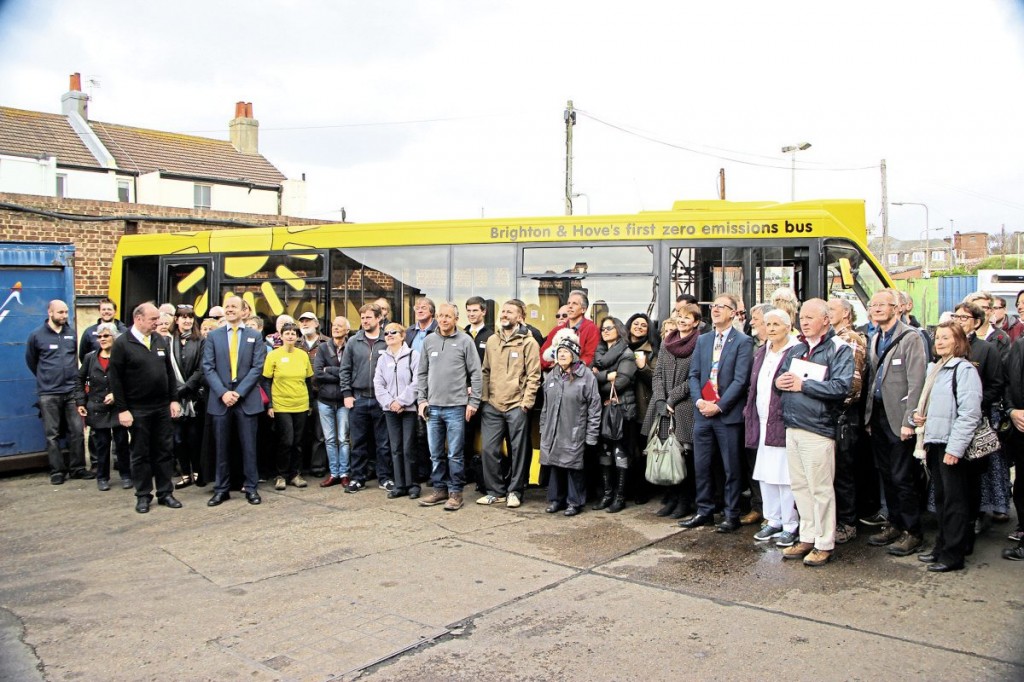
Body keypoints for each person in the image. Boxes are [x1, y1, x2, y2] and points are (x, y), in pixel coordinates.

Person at [775, 299, 854, 567]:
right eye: (802, 317)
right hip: (793, 424)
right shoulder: (795, 348)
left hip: (818, 428)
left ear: (826, 320)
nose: (804, 322)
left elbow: (842, 387)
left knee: (820, 488)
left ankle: (824, 541)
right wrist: (780, 382)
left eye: (810, 317)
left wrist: (803, 385)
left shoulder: (839, 349)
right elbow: (783, 378)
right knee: (800, 486)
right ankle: (807, 535)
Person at [912, 321, 983, 572]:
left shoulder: (964, 370)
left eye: (945, 337)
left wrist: (955, 449)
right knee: (942, 501)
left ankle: (953, 555)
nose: (939, 341)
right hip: (935, 441)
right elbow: (932, 406)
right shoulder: (936, 368)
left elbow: (970, 413)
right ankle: (941, 547)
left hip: (952, 446)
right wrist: (918, 417)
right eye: (937, 337)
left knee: (955, 502)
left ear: (958, 341)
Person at [681, 294, 754, 533]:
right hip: (703, 412)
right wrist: (699, 400)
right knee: (701, 465)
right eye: (713, 306)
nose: (715, 309)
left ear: (733, 313)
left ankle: (731, 514)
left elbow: (741, 380)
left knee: (730, 467)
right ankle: (704, 511)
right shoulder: (703, 340)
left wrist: (720, 405)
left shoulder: (742, 342)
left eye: (722, 307)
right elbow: (693, 375)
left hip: (727, 415)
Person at [864, 288, 927, 557]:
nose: (876, 309)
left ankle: (912, 532)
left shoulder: (911, 338)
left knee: (903, 477)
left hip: (899, 418)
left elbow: (917, 382)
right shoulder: (875, 337)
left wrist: (909, 420)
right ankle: (894, 524)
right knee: (887, 474)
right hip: (877, 416)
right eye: (873, 305)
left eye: (882, 304)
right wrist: (868, 417)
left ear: (897, 308)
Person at [108, 302, 183, 513]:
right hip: (137, 409)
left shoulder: (159, 340)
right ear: (138, 319)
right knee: (140, 453)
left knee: (164, 451)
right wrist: (122, 410)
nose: (157, 323)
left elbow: (169, 372)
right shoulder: (123, 344)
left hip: (161, 408)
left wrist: (173, 399)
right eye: (153, 319)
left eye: (158, 319)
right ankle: (143, 495)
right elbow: (116, 380)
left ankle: (165, 492)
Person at [416, 302, 483, 511]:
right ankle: (439, 490)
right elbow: (422, 374)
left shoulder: (465, 341)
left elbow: (476, 374)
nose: (444, 320)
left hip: (456, 407)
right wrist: (421, 400)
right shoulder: (429, 341)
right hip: (432, 408)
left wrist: (474, 402)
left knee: (455, 453)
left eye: (448, 316)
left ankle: (455, 493)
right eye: (441, 316)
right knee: (435, 453)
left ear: (456, 319)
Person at [202, 295, 267, 506]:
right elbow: (208, 367)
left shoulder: (254, 336)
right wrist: (223, 393)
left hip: (246, 399)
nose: (229, 310)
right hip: (221, 400)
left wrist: (238, 393)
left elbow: (257, 368)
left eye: (234, 307)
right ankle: (221, 489)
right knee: (221, 447)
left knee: (249, 447)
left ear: (243, 311)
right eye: (227, 306)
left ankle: (251, 488)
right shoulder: (214, 336)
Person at [476, 300, 541, 508]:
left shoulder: (529, 343)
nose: (504, 314)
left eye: (509, 312)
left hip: (516, 406)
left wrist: (526, 402)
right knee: (489, 449)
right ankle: (496, 491)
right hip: (493, 405)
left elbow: (534, 376)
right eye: (503, 311)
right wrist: (485, 399)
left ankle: (515, 491)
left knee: (518, 450)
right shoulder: (493, 341)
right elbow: (485, 371)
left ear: (520, 317)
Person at [743, 309, 799, 547]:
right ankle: (772, 520)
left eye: (777, 324)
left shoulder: (795, 351)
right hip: (760, 419)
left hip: (782, 421)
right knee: (765, 474)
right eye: (768, 324)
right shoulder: (761, 352)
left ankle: (790, 524)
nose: (771, 328)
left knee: (784, 476)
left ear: (788, 327)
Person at [952, 301, 1008, 533]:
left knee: (973, 474)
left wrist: (974, 403)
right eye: (956, 316)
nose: (959, 321)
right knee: (951, 475)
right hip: (948, 421)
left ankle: (974, 516)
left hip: (975, 422)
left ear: (976, 322)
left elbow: (996, 386)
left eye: (964, 318)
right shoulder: (948, 346)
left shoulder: (987, 350)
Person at [25, 299, 93, 484]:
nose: (64, 316)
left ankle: (78, 468)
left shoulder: (71, 333)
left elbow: (77, 357)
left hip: (71, 391)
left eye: (65, 312)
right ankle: (57, 471)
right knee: (52, 434)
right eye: (60, 312)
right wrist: (46, 378)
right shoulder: (37, 335)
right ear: (50, 312)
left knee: (77, 431)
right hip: (49, 393)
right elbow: (32, 361)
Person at [643, 308, 699, 519]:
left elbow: (695, 376)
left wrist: (672, 398)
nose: (682, 320)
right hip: (662, 408)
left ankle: (685, 502)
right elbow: (657, 374)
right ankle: (671, 499)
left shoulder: (699, 344)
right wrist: (659, 398)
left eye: (687, 317)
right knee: (664, 452)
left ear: (695, 323)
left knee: (682, 456)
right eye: (680, 317)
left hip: (684, 408)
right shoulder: (667, 343)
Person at [540, 333, 601, 516]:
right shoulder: (552, 376)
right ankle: (556, 500)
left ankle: (574, 502)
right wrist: (543, 428)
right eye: (559, 352)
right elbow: (545, 406)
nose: (562, 356)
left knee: (573, 468)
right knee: (555, 466)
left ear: (574, 355)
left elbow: (595, 407)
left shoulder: (586, 376)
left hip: (575, 431)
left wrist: (591, 435)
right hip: (553, 431)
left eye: (566, 352)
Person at [827, 297, 867, 544]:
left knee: (842, 472)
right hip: (829, 413)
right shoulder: (829, 339)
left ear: (846, 314)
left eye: (831, 309)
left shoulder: (850, 339)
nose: (827, 313)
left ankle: (847, 523)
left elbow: (852, 383)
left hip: (842, 415)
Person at [340, 303, 392, 493]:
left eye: (369, 317)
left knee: (384, 443)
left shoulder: (387, 340)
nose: (365, 321)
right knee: (358, 442)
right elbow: (345, 369)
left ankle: (384, 478)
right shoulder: (354, 341)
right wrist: (347, 393)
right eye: (362, 318)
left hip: (382, 400)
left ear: (379, 319)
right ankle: (358, 478)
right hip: (359, 398)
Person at [75, 322, 131, 491]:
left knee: (121, 443)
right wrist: (80, 402)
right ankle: (102, 477)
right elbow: (79, 380)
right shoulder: (90, 358)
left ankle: (126, 475)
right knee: (101, 445)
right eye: (99, 336)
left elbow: (130, 379)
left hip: (118, 409)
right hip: (97, 408)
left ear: (114, 337)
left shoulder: (122, 357)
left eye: (106, 336)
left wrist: (116, 394)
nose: (102, 339)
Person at [591, 316, 638, 513]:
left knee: (620, 453)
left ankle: (619, 497)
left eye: (610, 327)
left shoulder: (627, 353)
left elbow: (620, 382)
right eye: (603, 328)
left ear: (619, 330)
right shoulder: (599, 353)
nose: (606, 331)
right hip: (602, 409)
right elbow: (590, 378)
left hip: (622, 410)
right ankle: (607, 494)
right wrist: (606, 376)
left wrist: (598, 376)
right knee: (604, 453)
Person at [262, 322, 314, 491]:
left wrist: (310, 403)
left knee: (298, 442)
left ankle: (295, 474)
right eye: (287, 333)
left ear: (298, 336)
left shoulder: (303, 355)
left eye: (293, 333)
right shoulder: (273, 355)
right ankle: (281, 475)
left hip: (301, 403)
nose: (291, 336)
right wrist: (270, 404)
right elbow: (267, 380)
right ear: (281, 335)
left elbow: (308, 380)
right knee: (286, 440)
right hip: (281, 404)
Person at [373, 322, 421, 499]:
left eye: (393, 332)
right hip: (389, 410)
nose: (389, 335)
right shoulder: (382, 358)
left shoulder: (413, 356)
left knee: (408, 447)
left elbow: (417, 382)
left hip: (408, 409)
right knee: (395, 448)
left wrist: (401, 402)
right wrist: (390, 402)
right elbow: (378, 384)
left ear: (402, 336)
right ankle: (399, 484)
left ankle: (413, 484)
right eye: (386, 333)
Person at [169, 304, 205, 488]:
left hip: (193, 398)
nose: (187, 321)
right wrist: (175, 393)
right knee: (178, 438)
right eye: (183, 317)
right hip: (174, 400)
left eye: (190, 317)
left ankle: (197, 471)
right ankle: (184, 473)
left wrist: (186, 388)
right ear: (176, 319)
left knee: (194, 437)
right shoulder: (167, 341)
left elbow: (201, 368)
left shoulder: (200, 341)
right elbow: (165, 369)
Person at [314, 316, 352, 488]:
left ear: (347, 330)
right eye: (334, 325)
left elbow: (352, 373)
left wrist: (329, 369)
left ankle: (344, 473)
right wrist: (341, 374)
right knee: (329, 439)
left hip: (344, 400)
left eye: (340, 326)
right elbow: (318, 373)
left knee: (343, 439)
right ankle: (334, 473)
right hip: (325, 400)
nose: (336, 328)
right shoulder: (322, 348)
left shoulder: (351, 347)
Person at [625, 312, 657, 504]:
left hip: (643, 407)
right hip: (623, 407)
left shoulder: (652, 350)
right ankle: (626, 488)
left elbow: (655, 380)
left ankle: (642, 490)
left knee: (641, 452)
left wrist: (643, 366)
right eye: (635, 323)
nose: (638, 327)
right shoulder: (621, 348)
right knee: (627, 450)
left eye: (643, 325)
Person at [297, 311, 329, 476]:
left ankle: (318, 467)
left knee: (319, 433)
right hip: (299, 395)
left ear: (317, 324)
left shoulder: (327, 342)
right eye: (302, 321)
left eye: (308, 320)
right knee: (300, 433)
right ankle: (299, 468)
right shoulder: (295, 343)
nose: (304, 323)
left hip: (320, 393)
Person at [539, 290, 599, 369]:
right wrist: (553, 363)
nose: (570, 306)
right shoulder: (556, 330)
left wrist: (570, 367)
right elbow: (541, 355)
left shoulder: (592, 329)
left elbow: (590, 357)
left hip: (579, 376)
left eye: (574, 303)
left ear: (583, 309)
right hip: (555, 375)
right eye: (568, 303)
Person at [78, 297, 128, 362]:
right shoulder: (89, 332)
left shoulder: (124, 332)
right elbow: (83, 356)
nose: (106, 312)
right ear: (99, 311)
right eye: (103, 309)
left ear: (115, 311)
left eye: (109, 309)